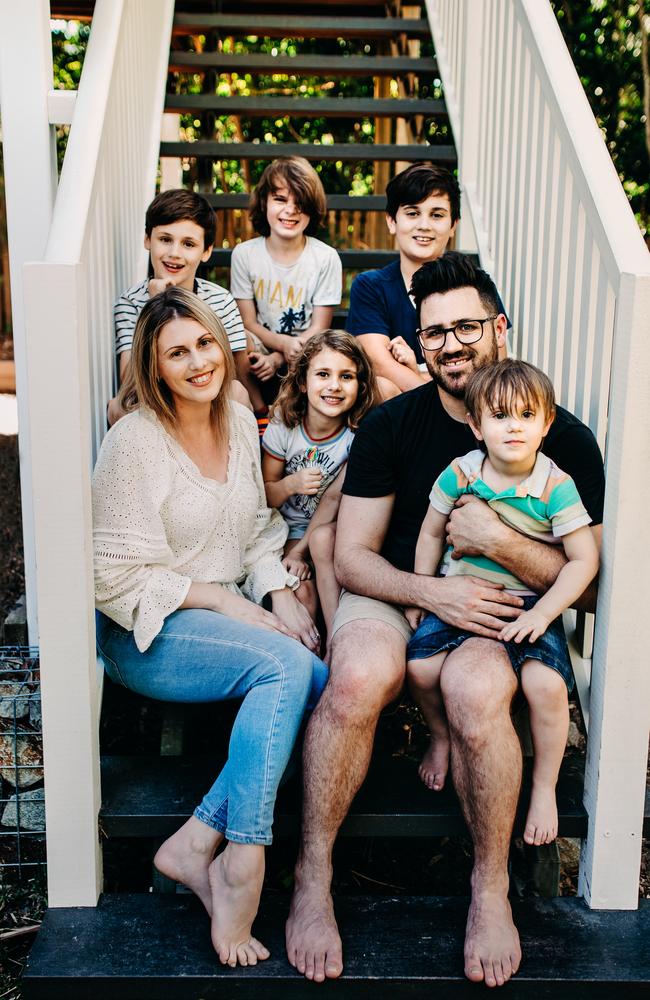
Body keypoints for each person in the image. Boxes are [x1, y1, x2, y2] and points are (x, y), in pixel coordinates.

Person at [285, 252, 604, 988]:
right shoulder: (396, 424)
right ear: (417, 343)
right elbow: (354, 557)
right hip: (402, 589)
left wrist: (496, 543)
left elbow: (586, 588)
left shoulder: (560, 437)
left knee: (476, 692)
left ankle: (490, 889)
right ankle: (311, 877)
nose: (452, 345)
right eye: (435, 334)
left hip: (498, 609)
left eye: (466, 326)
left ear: (499, 327)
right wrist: (431, 595)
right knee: (359, 675)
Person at [93, 286, 327, 968]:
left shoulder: (231, 410)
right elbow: (112, 577)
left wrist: (279, 593)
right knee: (286, 668)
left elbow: (254, 530)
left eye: (203, 343)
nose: (198, 361)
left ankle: (196, 841)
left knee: (314, 672)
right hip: (148, 630)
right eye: (177, 353)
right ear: (153, 366)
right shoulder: (133, 443)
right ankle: (242, 862)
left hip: (230, 617)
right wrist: (225, 603)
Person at [405, 359, 599, 849]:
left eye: (526, 415)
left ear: (545, 423)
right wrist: (422, 591)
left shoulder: (556, 486)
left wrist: (543, 613)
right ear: (476, 425)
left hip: (530, 604)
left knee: (547, 686)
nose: (513, 426)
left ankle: (544, 787)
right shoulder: (462, 473)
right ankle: (442, 737)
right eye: (499, 415)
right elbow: (431, 531)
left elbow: (582, 560)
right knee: (422, 670)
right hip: (460, 597)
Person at [262, 330, 378, 654]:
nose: (334, 386)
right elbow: (263, 496)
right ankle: (307, 657)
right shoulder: (285, 426)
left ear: (361, 385)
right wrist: (291, 485)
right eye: (323, 374)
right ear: (303, 381)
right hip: (287, 529)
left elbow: (334, 499)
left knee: (323, 544)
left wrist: (301, 552)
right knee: (301, 593)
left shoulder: (357, 438)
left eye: (347, 376)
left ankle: (338, 645)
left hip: (336, 532)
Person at [108, 189, 251, 425]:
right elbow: (129, 382)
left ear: (206, 251)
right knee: (118, 408)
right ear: (147, 239)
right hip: (158, 402)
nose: (174, 253)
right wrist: (155, 306)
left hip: (206, 400)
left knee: (237, 392)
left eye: (188, 244)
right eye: (165, 239)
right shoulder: (131, 303)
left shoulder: (220, 300)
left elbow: (235, 373)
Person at [229, 156, 342, 422]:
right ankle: (259, 412)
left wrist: (282, 356)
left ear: (311, 209)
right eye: (280, 199)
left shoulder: (325, 258)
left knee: (321, 350)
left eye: (299, 203)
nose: (290, 210)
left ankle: (290, 412)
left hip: (307, 346)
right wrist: (281, 346)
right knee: (237, 336)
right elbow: (247, 322)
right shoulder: (245, 255)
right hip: (262, 345)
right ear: (264, 202)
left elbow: (320, 327)